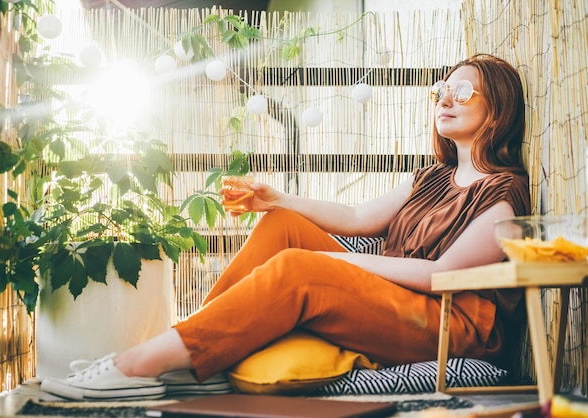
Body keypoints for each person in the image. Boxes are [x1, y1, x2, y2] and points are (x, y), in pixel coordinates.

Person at [40, 53, 531, 400]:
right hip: (399, 299)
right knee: (283, 226)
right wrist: (278, 199)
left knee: (302, 268)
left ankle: (136, 365)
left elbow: (440, 275)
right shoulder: (432, 178)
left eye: (463, 90)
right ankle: (198, 348)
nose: (446, 98)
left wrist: (334, 262)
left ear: (499, 106)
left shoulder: (503, 197)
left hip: (451, 327)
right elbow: (359, 219)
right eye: (442, 89)